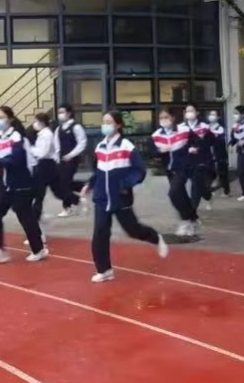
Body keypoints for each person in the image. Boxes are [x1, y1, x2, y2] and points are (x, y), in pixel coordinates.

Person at [82, 111, 168, 283]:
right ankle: (104, 270)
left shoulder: (126, 146)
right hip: (102, 197)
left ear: (118, 125)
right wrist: (90, 185)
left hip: (120, 197)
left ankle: (155, 237)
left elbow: (139, 170)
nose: (105, 125)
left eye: (109, 122)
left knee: (132, 229)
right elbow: (98, 171)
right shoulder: (100, 146)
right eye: (104, 122)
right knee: (100, 232)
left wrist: (124, 185)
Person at [0, 106, 48, 264]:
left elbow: (15, 160)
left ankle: (38, 249)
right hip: (4, 184)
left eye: (1, 117)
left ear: (10, 119)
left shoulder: (18, 138)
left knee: (25, 217)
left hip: (21, 184)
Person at [152, 108, 198, 237]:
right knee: (182, 195)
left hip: (183, 167)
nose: (163, 120)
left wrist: (193, 148)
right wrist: (160, 151)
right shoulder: (156, 135)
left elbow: (196, 141)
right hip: (169, 169)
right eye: (161, 118)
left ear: (172, 118)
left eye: (166, 117)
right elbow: (152, 151)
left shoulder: (184, 130)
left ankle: (185, 220)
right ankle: (193, 219)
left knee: (174, 193)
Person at [53, 104, 88, 217]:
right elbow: (56, 145)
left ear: (69, 113)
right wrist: (57, 157)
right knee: (62, 183)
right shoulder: (58, 129)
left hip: (72, 160)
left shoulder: (76, 127)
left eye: (62, 112)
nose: (60, 115)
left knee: (64, 183)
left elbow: (82, 143)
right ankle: (83, 187)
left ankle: (68, 207)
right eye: (59, 112)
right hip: (61, 159)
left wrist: (71, 155)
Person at [180, 104, 214, 218]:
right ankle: (208, 196)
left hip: (201, 161)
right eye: (187, 111)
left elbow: (211, 142)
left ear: (197, 112)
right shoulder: (181, 128)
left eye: (191, 110)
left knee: (195, 185)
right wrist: (188, 149)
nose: (189, 113)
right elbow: (179, 145)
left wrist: (199, 147)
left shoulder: (204, 127)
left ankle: (192, 212)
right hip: (187, 161)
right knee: (201, 187)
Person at [29, 112, 58, 229]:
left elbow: (42, 152)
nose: (34, 124)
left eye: (35, 121)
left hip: (46, 165)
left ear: (41, 122)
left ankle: (36, 219)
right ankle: (38, 216)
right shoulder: (41, 134)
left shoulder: (47, 134)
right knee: (38, 194)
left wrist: (30, 149)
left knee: (39, 193)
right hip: (41, 164)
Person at [207, 110, 231, 197]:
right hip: (208, 154)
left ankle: (226, 191)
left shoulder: (221, 128)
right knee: (209, 173)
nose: (211, 116)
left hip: (219, 154)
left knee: (222, 173)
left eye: (214, 115)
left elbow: (222, 141)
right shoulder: (206, 127)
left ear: (218, 117)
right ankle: (210, 190)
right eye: (210, 114)